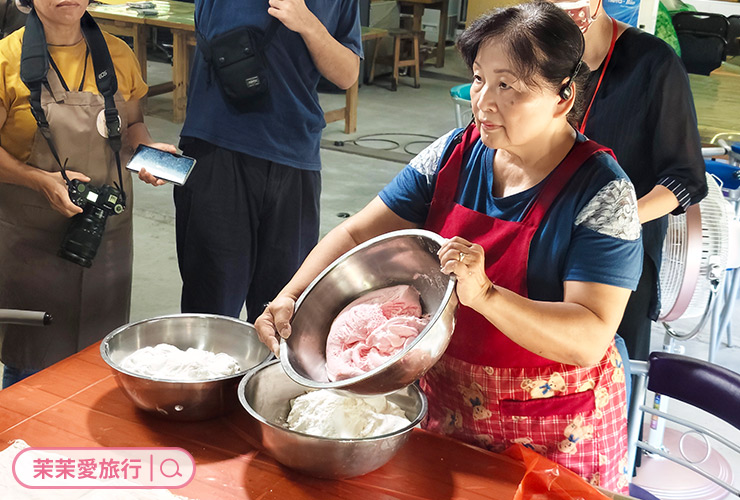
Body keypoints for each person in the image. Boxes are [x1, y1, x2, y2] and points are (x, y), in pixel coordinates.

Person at [256, 2, 642, 492]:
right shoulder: (454, 154)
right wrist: (292, 295)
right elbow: (357, 233)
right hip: (447, 408)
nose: (483, 102)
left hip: (555, 432)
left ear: (564, 96)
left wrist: (486, 295)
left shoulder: (602, 194)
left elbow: (588, 337)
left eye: (509, 87)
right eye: (480, 79)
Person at [0, 0, 176, 388]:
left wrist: (146, 150)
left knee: (101, 353)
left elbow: (132, 124)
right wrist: (39, 180)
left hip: (106, 233)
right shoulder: (6, 60)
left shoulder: (117, 53)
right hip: (32, 234)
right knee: (32, 359)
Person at [174, 0, 362, 323]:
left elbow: (347, 73)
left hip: (296, 159)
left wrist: (307, 23)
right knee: (210, 316)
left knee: (283, 313)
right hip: (219, 150)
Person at [553, 0, 707, 363]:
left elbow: (685, 178)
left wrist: (613, 223)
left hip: (616, 259)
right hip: (539, 241)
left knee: (606, 377)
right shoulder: (535, 52)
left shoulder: (653, 64)